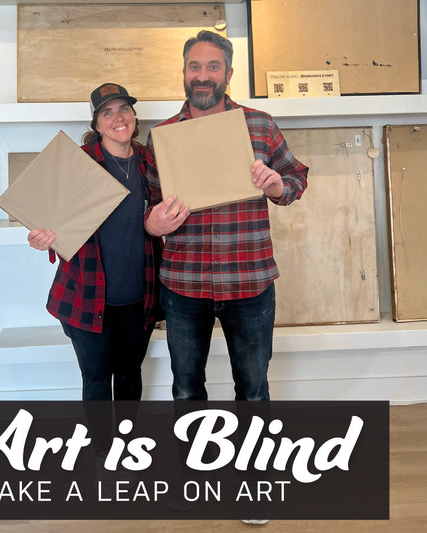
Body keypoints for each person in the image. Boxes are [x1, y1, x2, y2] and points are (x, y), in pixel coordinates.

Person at [145, 31, 308, 403]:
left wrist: (277, 187)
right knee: (186, 390)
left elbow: (297, 177)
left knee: (253, 391)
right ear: (184, 72)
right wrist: (152, 223)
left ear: (229, 74)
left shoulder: (260, 125)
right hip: (184, 284)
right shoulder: (163, 136)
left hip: (249, 280)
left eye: (213, 67)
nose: (202, 76)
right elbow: (149, 205)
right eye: (194, 67)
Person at [28, 82, 162, 402]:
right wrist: (43, 238)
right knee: (97, 382)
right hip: (87, 294)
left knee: (130, 377)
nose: (119, 117)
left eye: (124, 109)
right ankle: (101, 438)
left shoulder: (150, 162)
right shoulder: (78, 162)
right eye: (107, 112)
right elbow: (50, 217)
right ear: (97, 124)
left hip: (138, 295)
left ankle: (127, 436)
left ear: (134, 116)